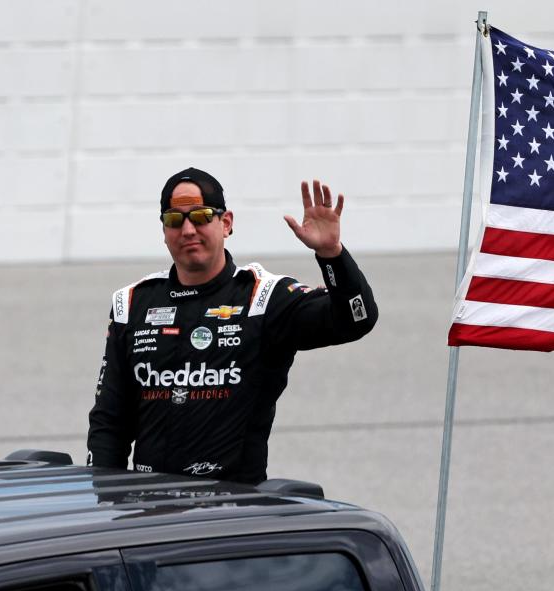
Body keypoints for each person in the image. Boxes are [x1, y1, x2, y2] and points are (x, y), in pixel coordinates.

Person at [87, 168, 377, 483]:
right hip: (151, 511)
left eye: (200, 217)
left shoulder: (263, 297)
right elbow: (109, 423)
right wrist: (104, 504)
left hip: (233, 510)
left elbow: (355, 319)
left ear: (226, 224)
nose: (187, 230)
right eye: (174, 219)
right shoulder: (132, 304)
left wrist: (331, 255)